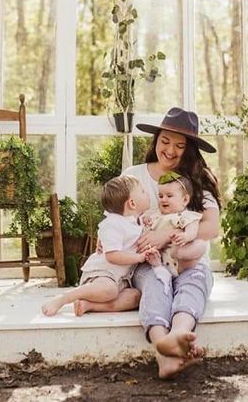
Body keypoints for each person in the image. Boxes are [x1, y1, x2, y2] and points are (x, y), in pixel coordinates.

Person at [76, 107, 221, 379]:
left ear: (188, 149)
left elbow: (211, 227)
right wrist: (105, 240)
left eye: (179, 145)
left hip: (189, 261)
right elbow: (115, 214)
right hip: (148, 262)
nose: (170, 150)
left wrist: (165, 235)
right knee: (154, 288)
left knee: (192, 286)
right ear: (156, 140)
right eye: (165, 141)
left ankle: (177, 335)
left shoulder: (195, 180)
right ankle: (162, 344)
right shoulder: (134, 174)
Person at [40, 175, 157, 317]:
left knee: (135, 297)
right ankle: (63, 298)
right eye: (143, 192)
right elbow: (112, 256)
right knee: (110, 290)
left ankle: (89, 305)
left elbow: (134, 228)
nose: (147, 193)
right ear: (132, 203)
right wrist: (139, 257)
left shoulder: (135, 220)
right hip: (102, 274)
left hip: (120, 279)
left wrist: (145, 220)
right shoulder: (113, 224)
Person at [144, 172, 206, 293]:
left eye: (169, 196)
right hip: (163, 261)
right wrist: (145, 220)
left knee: (200, 245)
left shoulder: (184, 216)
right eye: (160, 196)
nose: (163, 199)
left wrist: (186, 236)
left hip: (181, 261)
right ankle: (157, 266)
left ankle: (179, 253)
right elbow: (146, 229)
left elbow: (193, 229)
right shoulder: (156, 215)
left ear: (185, 199)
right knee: (153, 258)